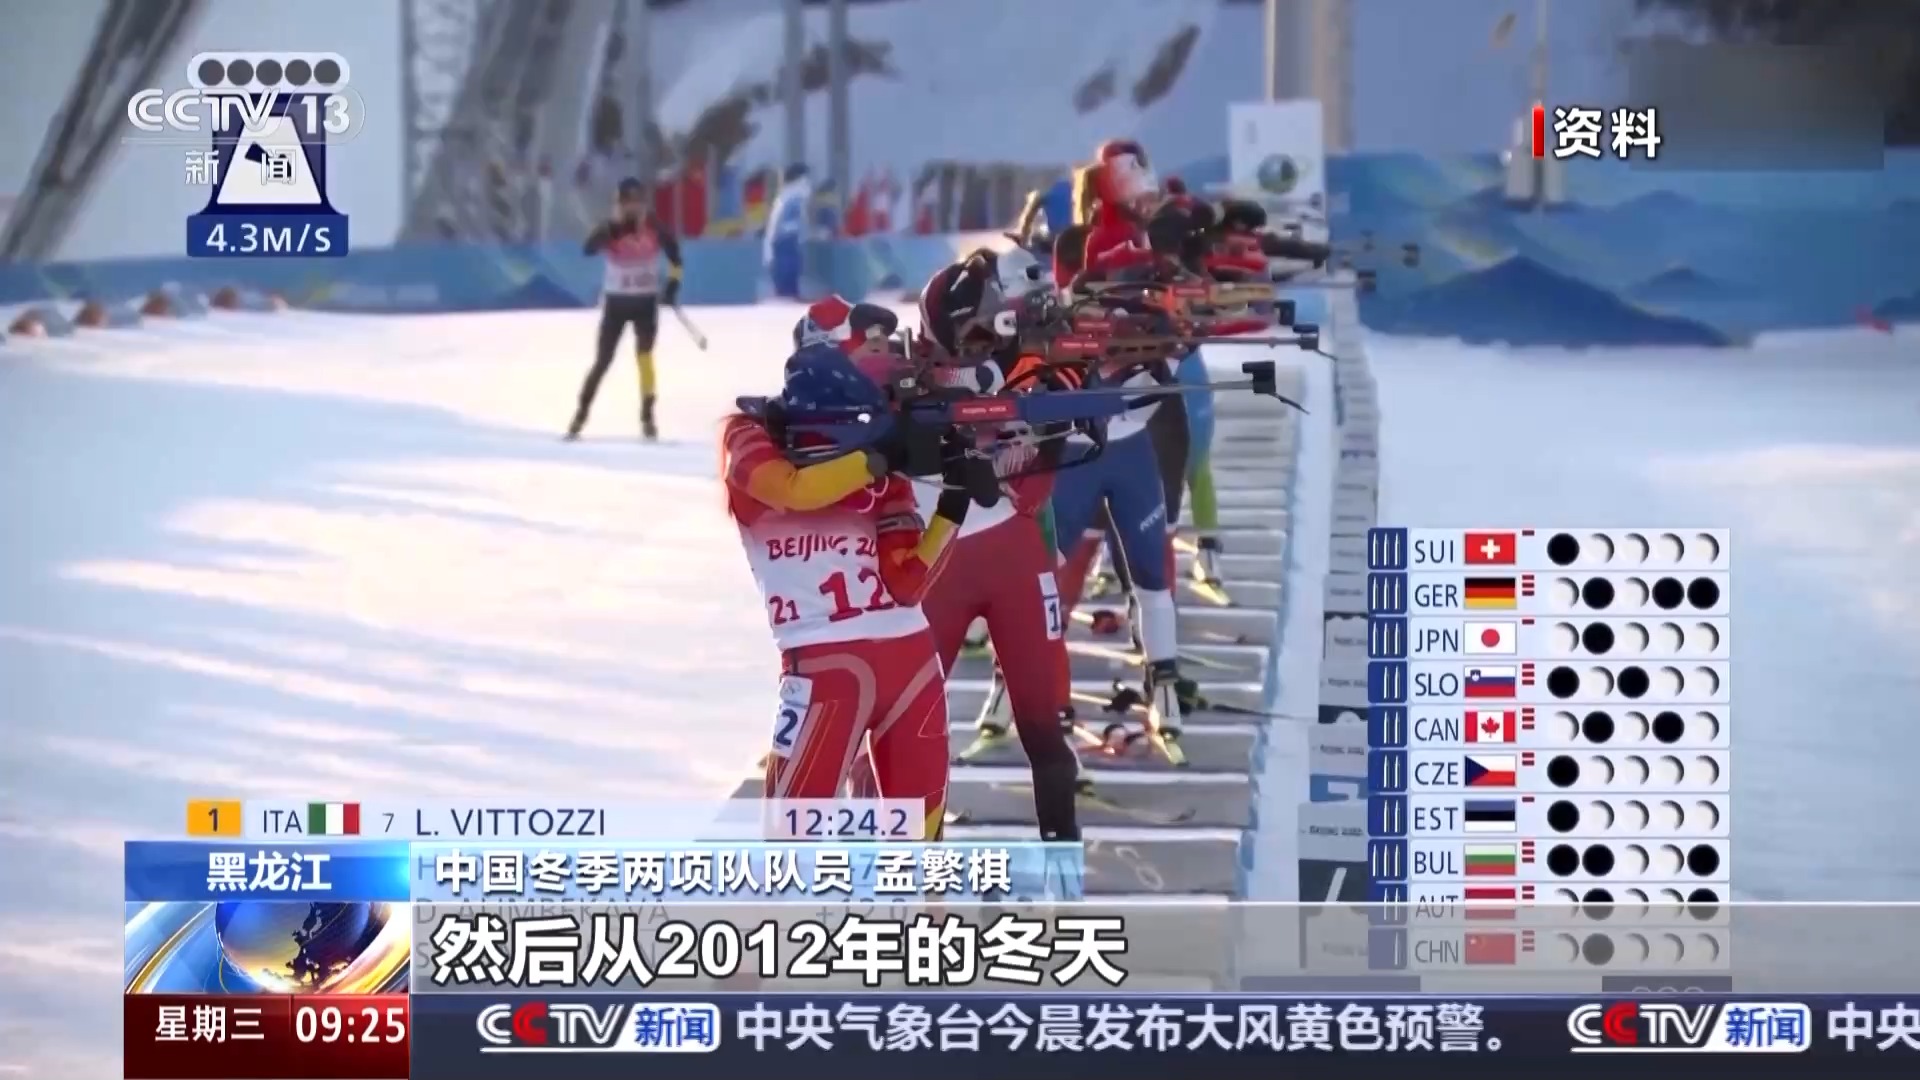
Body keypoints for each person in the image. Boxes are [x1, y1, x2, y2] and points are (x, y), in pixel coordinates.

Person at [724, 343, 975, 839]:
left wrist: (954, 504)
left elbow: (909, 585)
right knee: (791, 840)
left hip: (875, 663)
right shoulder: (747, 438)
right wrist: (880, 457)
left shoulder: (885, 479)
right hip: (849, 668)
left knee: (916, 842)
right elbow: (795, 490)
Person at [910, 247, 1085, 840]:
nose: (989, 346)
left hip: (1013, 554)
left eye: (994, 332)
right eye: (978, 334)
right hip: (937, 561)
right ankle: (905, 871)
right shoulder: (909, 377)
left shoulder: (1030, 367)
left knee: (1043, 727)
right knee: (907, 727)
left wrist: (1054, 402)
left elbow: (1050, 456)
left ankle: (1062, 873)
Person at [1046, 139, 1193, 763]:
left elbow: (1178, 337)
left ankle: (1165, 683)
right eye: (1140, 192)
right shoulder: (1077, 248)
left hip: (1137, 435)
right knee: (1056, 569)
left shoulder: (1155, 249)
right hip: (1080, 443)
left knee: (1152, 566)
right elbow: (1062, 323)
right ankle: (1024, 685)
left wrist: (1167, 338)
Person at [568, 177, 684, 441]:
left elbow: (675, 256)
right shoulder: (611, 227)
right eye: (626, 203)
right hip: (616, 305)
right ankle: (581, 413)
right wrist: (612, 230)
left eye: (637, 202)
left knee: (645, 358)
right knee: (603, 361)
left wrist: (673, 284)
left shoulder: (654, 226)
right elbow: (588, 248)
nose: (632, 208)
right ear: (618, 205)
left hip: (645, 303)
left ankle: (648, 417)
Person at [763, 164, 814, 300]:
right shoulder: (790, 198)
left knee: (792, 271)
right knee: (788, 271)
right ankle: (787, 295)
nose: (808, 184)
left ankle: (789, 294)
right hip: (785, 241)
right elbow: (780, 225)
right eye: (805, 179)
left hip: (789, 241)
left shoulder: (788, 197)